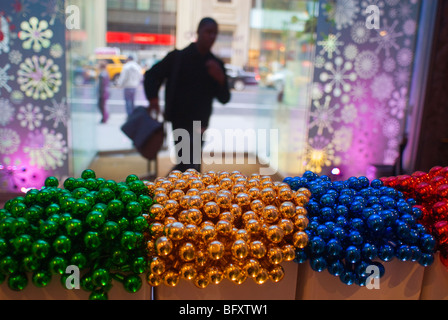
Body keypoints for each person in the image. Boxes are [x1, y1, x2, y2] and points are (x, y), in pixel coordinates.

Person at [144, 17, 231, 172]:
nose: (212, 37)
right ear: (198, 32)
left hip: (201, 123)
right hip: (180, 120)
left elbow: (224, 98)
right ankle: (169, 190)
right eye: (208, 32)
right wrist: (153, 99)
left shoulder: (215, 64)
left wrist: (220, 78)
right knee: (188, 163)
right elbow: (152, 75)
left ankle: (179, 189)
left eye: (215, 33)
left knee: (191, 163)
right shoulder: (178, 57)